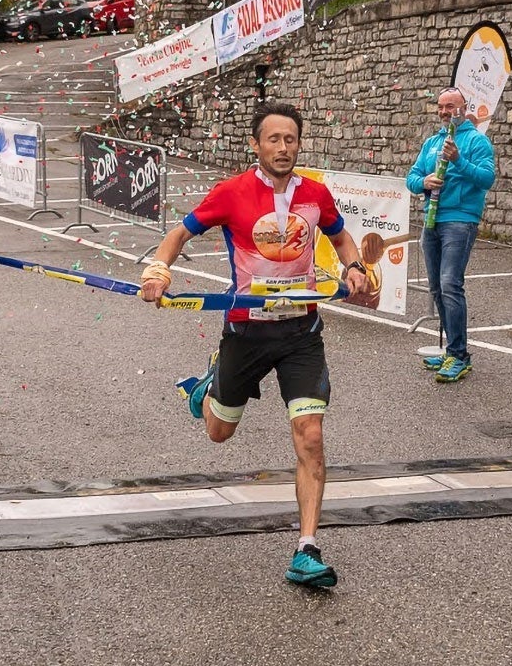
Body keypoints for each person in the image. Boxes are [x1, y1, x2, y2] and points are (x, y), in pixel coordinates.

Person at [140, 102, 376, 589]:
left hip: (301, 333)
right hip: (246, 332)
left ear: (299, 142)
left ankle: (306, 548)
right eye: (274, 139)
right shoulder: (231, 193)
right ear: (256, 144)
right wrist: (158, 270)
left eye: (290, 139)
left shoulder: (315, 194)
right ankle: (208, 387)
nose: (283, 148)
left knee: (310, 434)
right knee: (218, 434)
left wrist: (353, 268)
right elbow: (179, 234)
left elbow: (342, 238)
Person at [404, 88, 497, 382]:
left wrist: (458, 160)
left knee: (449, 284)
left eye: (451, 107)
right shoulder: (432, 142)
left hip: (460, 220)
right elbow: (411, 177)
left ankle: (459, 355)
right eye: (441, 107)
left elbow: (486, 179)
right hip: (431, 220)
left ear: (463, 108)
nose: (445, 112)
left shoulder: (477, 141)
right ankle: (449, 352)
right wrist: (424, 182)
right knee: (436, 288)